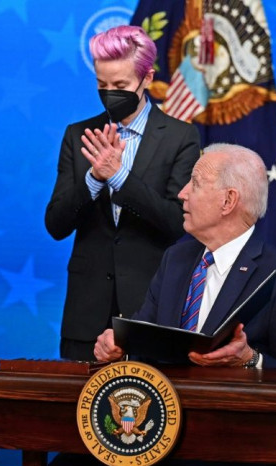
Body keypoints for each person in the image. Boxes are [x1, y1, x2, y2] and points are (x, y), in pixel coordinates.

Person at [49, 144, 276, 466]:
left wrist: (251, 361)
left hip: (233, 443)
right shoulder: (176, 258)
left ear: (228, 201)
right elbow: (143, 340)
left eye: (195, 183)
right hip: (155, 430)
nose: (182, 193)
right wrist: (119, 348)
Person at [45, 25, 200, 361]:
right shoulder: (79, 135)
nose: (110, 93)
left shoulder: (180, 137)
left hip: (150, 311)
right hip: (85, 315)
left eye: (121, 85)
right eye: (102, 85)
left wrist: (119, 177)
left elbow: (177, 223)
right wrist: (93, 180)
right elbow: (56, 224)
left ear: (147, 78)